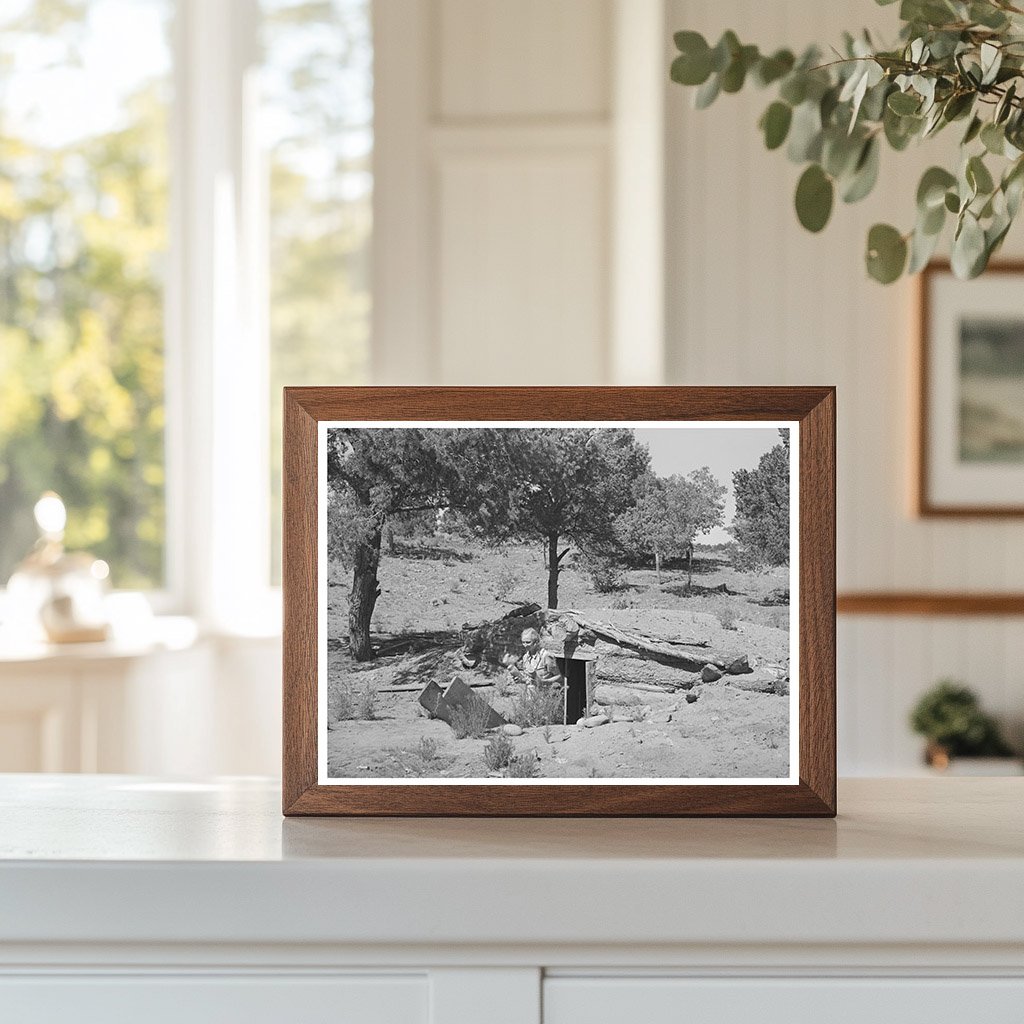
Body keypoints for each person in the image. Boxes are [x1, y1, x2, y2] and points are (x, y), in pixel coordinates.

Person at [506, 627, 564, 692]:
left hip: (546, 695)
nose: (525, 645)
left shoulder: (546, 656)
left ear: (536, 642)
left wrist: (545, 682)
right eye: (523, 642)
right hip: (530, 696)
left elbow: (559, 677)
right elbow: (529, 680)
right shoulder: (525, 657)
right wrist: (521, 680)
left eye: (528, 642)